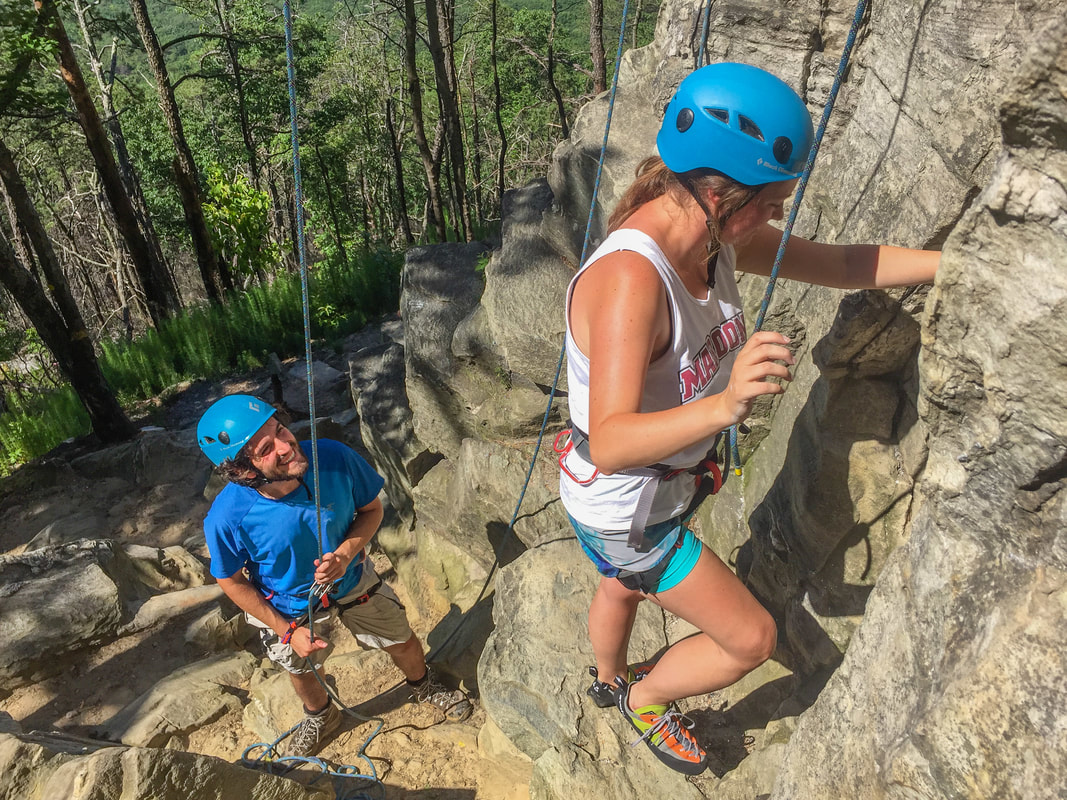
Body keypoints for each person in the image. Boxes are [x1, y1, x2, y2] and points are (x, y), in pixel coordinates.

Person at [559, 62, 940, 775]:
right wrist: (726, 403)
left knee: (619, 578)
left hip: (645, 488)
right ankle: (642, 696)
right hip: (627, 497)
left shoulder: (710, 236)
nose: (775, 217)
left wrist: (955, 263)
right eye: (770, 204)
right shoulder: (629, 281)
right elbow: (611, 441)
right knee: (749, 640)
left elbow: (840, 264)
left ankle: (605, 678)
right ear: (716, 195)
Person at [197, 394, 472, 758]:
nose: (287, 445)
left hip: (351, 577)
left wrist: (345, 554)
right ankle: (320, 716)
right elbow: (230, 580)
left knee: (401, 639)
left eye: (280, 429)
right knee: (301, 668)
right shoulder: (227, 517)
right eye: (267, 447)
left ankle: (422, 684)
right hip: (288, 604)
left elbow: (371, 510)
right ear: (245, 471)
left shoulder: (332, 457)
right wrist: (287, 631)